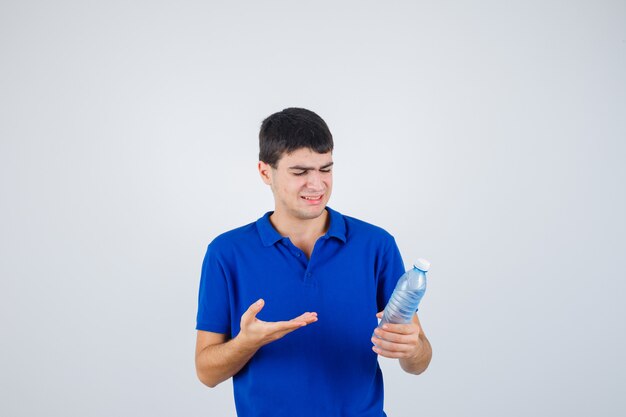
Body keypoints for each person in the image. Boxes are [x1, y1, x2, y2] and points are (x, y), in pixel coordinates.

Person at [195, 107, 432, 417]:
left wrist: (412, 349)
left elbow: (419, 360)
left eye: (325, 169)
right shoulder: (226, 253)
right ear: (266, 172)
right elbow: (206, 373)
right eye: (300, 172)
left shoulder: (376, 245)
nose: (317, 184)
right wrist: (246, 342)